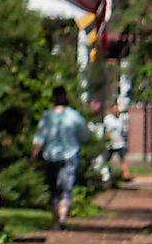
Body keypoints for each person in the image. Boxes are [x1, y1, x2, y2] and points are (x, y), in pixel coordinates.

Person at [30, 86, 89, 230]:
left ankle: (57, 220)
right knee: (64, 189)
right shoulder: (74, 116)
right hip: (67, 154)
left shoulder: (47, 116)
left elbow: (39, 138)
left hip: (52, 155)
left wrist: (33, 156)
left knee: (55, 190)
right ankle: (61, 217)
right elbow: (84, 136)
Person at [103, 102, 130, 181]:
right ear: (111, 109)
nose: (116, 110)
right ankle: (106, 175)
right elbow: (106, 131)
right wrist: (108, 139)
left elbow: (123, 131)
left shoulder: (120, 119)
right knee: (107, 159)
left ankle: (125, 175)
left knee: (122, 159)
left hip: (119, 143)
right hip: (110, 144)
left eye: (117, 108)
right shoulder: (108, 119)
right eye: (114, 108)